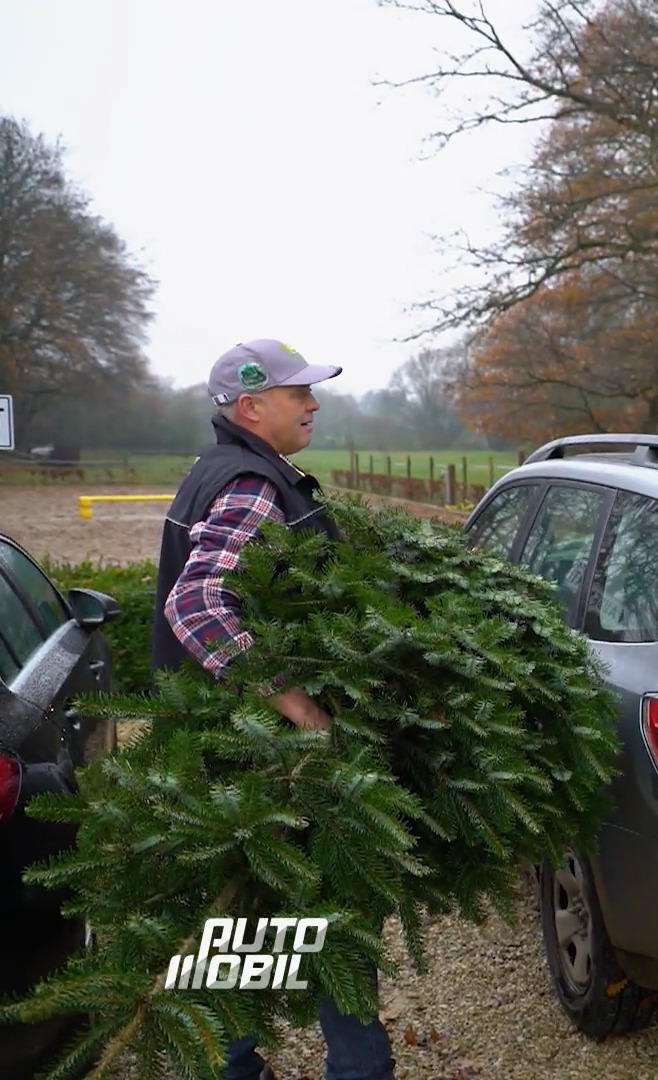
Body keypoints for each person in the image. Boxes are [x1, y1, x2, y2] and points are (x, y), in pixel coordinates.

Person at [151, 338, 396, 1080]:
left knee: (237, 925)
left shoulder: (216, 469)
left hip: (222, 748)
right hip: (261, 753)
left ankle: (234, 1064)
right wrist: (300, 707)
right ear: (252, 406)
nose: (313, 404)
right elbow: (194, 601)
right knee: (325, 919)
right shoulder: (253, 483)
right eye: (299, 394)